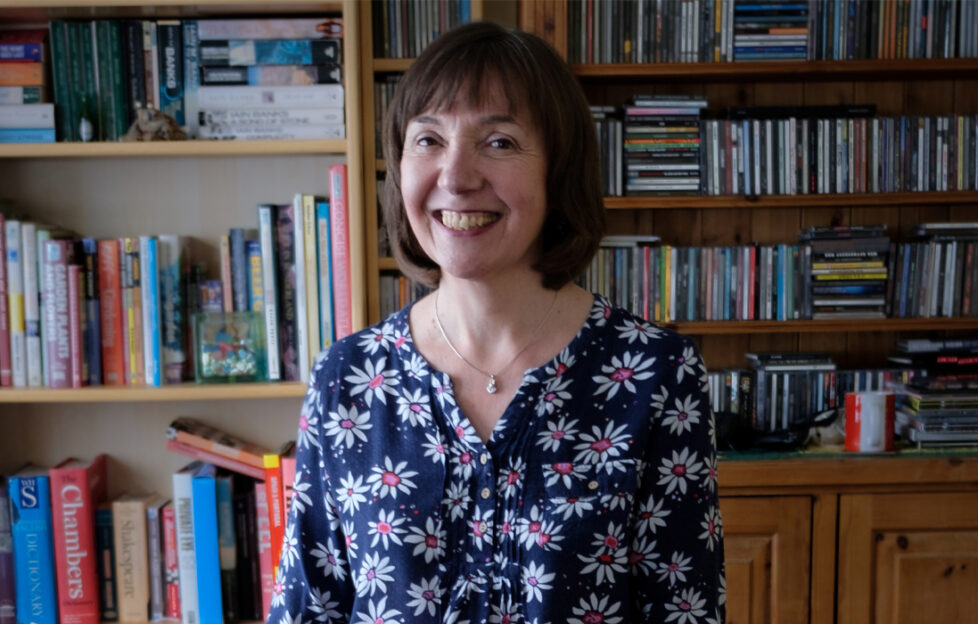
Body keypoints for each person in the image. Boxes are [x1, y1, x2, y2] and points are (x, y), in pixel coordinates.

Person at [266, 21, 725, 624]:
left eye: (500, 142)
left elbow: (685, 610)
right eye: (427, 139)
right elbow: (308, 609)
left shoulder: (655, 375)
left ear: (558, 172)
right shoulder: (348, 378)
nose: (455, 177)